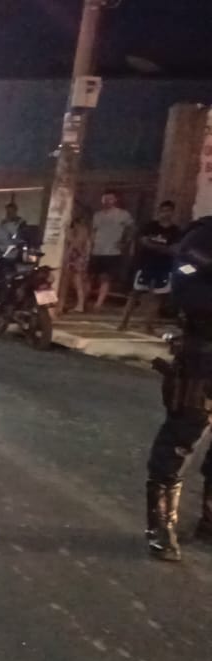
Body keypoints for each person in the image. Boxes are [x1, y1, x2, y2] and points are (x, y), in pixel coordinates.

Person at [145, 214, 212, 562]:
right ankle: (161, 525)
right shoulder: (203, 236)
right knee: (182, 438)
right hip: (204, 354)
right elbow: (186, 286)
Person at [128, 200, 183, 324]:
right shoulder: (150, 226)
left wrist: (155, 245)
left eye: (168, 211)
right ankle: (124, 322)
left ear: (173, 212)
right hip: (146, 263)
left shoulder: (176, 231)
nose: (165, 214)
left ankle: (149, 323)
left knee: (158, 296)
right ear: (159, 212)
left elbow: (175, 249)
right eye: (163, 211)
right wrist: (163, 248)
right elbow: (143, 241)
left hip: (164, 266)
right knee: (136, 293)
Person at [88, 189, 135, 312]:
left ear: (115, 200)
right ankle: (84, 301)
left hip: (112, 251)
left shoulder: (123, 214)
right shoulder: (97, 215)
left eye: (110, 198)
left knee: (105, 277)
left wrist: (125, 243)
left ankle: (98, 304)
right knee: (90, 276)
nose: (107, 201)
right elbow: (93, 232)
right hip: (96, 250)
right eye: (105, 198)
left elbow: (132, 229)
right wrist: (90, 246)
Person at [62, 206, 95, 315]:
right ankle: (76, 304)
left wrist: (68, 234)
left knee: (78, 282)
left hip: (78, 259)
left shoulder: (81, 229)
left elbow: (77, 244)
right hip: (76, 258)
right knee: (72, 282)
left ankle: (80, 305)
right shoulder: (80, 229)